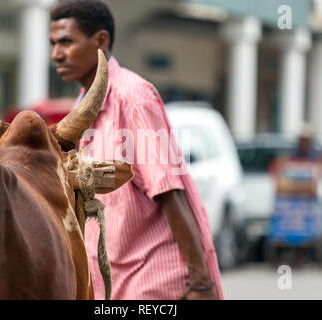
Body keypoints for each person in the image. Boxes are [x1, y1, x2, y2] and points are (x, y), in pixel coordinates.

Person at [49, 0, 223, 300]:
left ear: (101, 41)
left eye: (66, 42)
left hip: (154, 281)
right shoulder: (82, 105)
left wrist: (200, 283)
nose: (56, 54)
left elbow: (170, 191)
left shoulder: (132, 97)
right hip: (111, 282)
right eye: (53, 43)